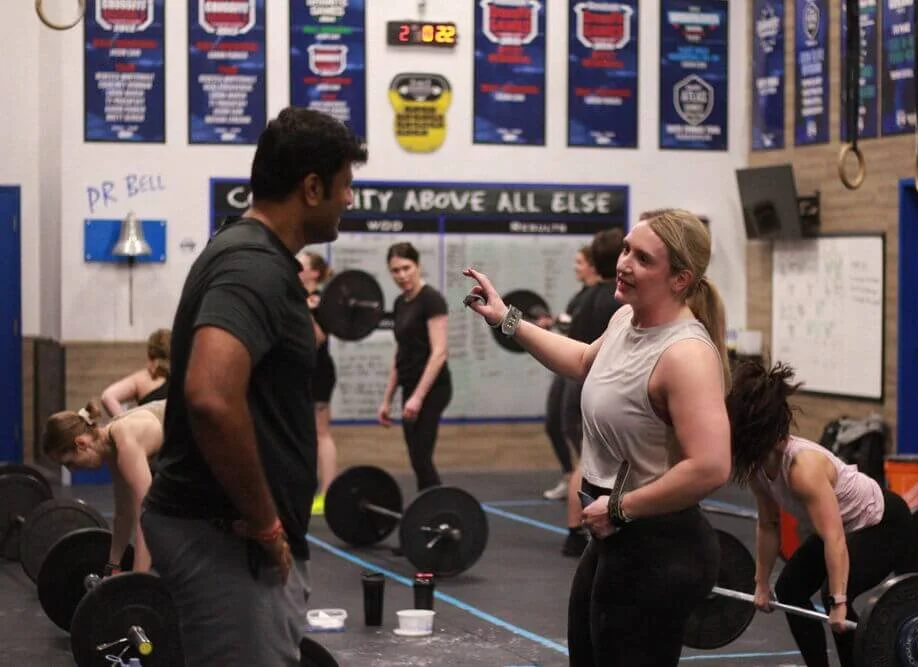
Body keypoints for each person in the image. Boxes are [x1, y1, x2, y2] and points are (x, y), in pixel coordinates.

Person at [141, 107, 368, 667]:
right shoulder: (253, 267)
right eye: (345, 187)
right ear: (311, 187)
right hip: (227, 543)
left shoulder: (250, 254)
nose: (349, 200)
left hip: (225, 537)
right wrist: (266, 523)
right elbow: (211, 397)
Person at [463, 208, 732, 666]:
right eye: (626, 249)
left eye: (643, 259)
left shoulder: (686, 354)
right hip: (615, 532)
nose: (625, 263)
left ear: (680, 278)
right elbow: (585, 361)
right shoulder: (626, 322)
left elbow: (711, 466)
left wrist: (620, 507)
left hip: (659, 541)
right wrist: (506, 319)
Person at [726, 360, 914, 667]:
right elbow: (768, 525)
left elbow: (834, 537)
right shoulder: (759, 468)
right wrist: (761, 582)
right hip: (843, 527)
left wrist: (839, 602)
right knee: (789, 589)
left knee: (834, 594)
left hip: (882, 522)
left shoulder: (802, 469)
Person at [557, 228, 625, 558]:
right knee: (586, 466)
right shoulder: (620, 303)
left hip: (577, 390)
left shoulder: (586, 298)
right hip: (591, 389)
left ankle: (577, 531)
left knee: (585, 465)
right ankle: (576, 532)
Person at [41, 399, 166, 575]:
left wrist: (138, 581)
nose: (73, 470)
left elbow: (145, 517)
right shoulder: (113, 449)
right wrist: (113, 566)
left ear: (82, 444)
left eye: (69, 463)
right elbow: (123, 514)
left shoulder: (125, 442)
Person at [377, 242, 451, 491]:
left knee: (421, 455)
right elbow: (401, 352)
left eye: (406, 268)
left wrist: (418, 397)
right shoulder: (400, 303)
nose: (402, 275)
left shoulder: (432, 300)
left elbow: (439, 352)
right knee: (417, 458)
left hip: (433, 388)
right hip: (409, 387)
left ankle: (440, 511)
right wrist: (387, 399)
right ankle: (428, 512)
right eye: (395, 271)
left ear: (418, 265)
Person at [543, 246, 600, 502]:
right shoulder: (579, 296)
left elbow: (578, 326)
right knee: (553, 423)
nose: (576, 267)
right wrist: (551, 323)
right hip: (566, 364)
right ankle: (570, 475)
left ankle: (587, 476)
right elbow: (569, 323)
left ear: (592, 265)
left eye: (579, 262)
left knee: (571, 423)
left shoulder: (598, 297)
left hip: (584, 367)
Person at [297, 250, 338, 515]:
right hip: (297, 373)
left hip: (319, 371)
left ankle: (329, 493)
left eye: (299, 265)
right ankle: (305, 490)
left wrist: (306, 311)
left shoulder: (322, 302)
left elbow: (318, 339)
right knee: (302, 435)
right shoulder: (296, 298)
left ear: (314, 272)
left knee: (321, 432)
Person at [101, 328, 170, 417]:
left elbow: (107, 396)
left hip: (149, 429)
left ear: (150, 353)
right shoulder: (183, 374)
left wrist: (127, 424)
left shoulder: (143, 378)